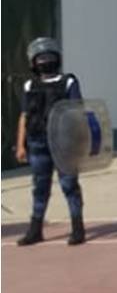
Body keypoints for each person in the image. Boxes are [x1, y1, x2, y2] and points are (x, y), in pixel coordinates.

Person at [16, 38, 86, 246]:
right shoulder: (30, 85)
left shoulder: (69, 82)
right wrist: (21, 145)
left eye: (49, 57)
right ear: (33, 62)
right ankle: (35, 229)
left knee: (69, 185)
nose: (45, 61)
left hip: (63, 142)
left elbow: (77, 111)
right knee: (40, 186)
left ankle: (77, 228)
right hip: (37, 142)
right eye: (41, 58)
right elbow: (24, 116)